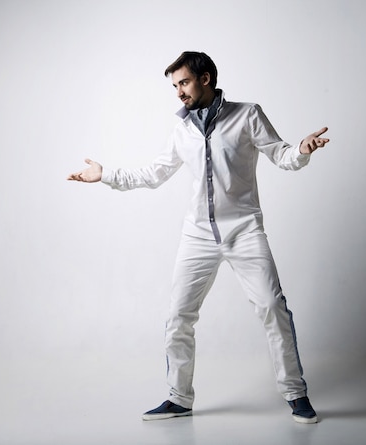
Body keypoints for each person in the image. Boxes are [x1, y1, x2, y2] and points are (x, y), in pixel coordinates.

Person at [67, 51, 329, 424]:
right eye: (174, 86)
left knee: (272, 307)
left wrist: (301, 151)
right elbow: (153, 174)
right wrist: (106, 174)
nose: (178, 92)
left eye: (184, 83)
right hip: (198, 235)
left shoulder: (247, 114)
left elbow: (281, 154)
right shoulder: (182, 128)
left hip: (244, 230)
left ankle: (295, 393)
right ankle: (179, 398)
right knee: (178, 316)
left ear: (205, 79)